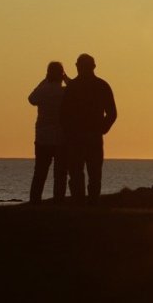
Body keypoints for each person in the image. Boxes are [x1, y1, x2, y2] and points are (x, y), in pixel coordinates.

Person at [60, 53, 117, 205]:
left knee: (81, 173)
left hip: (79, 137)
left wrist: (101, 129)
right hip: (89, 137)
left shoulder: (74, 87)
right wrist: (102, 129)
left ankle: (81, 204)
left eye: (79, 65)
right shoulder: (101, 86)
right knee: (92, 173)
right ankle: (91, 204)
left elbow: (63, 114)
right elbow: (112, 113)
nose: (78, 68)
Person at [27, 61, 70, 204]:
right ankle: (58, 202)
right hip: (61, 138)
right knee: (60, 174)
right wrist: (66, 79)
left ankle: (34, 202)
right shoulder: (65, 92)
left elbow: (31, 99)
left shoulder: (43, 91)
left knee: (39, 172)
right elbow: (76, 91)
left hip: (43, 137)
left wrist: (44, 80)